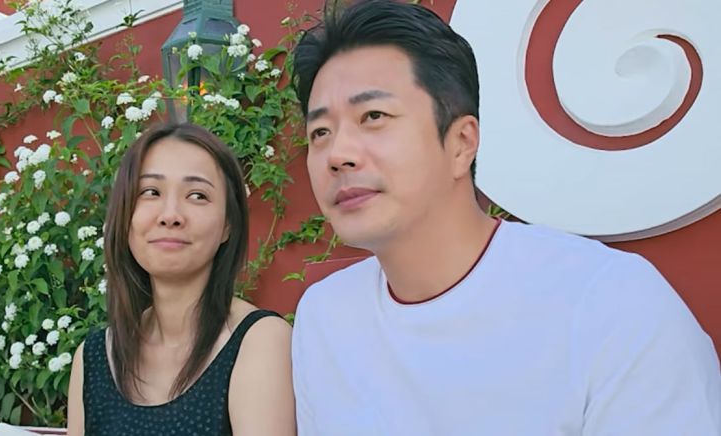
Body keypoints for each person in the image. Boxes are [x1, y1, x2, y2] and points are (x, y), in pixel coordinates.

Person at [290, 1, 721, 435]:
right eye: (320, 132)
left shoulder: (610, 304)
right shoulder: (326, 316)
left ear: (461, 143)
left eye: (373, 116)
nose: (338, 154)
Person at [66, 123, 296, 436]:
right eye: (151, 192)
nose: (170, 215)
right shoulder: (94, 357)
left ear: (228, 225)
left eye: (197, 195)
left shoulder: (259, 341)